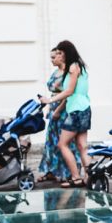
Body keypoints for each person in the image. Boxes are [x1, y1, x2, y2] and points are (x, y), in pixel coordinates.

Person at [40, 40, 91, 188]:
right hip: (84, 109)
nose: (59, 55)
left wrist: (49, 100)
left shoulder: (73, 67)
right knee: (82, 146)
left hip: (76, 110)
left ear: (67, 53)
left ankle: (75, 178)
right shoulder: (77, 66)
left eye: (61, 53)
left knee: (62, 144)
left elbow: (69, 91)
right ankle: (89, 177)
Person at [37, 48, 80, 183]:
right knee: (52, 141)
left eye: (53, 57)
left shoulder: (68, 74)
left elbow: (67, 95)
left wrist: (57, 111)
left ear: (62, 57)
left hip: (63, 111)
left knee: (64, 142)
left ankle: (67, 172)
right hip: (54, 108)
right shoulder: (56, 72)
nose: (51, 60)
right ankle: (51, 170)